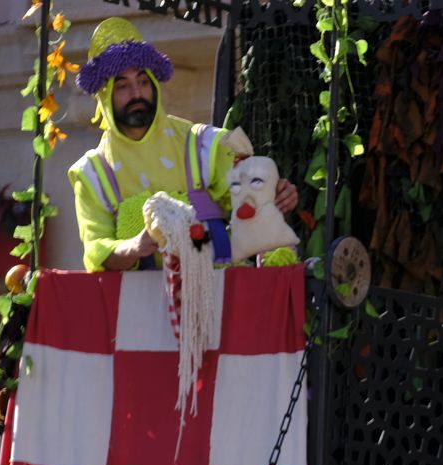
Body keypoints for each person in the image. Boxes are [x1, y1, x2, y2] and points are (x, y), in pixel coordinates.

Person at [68, 17, 296, 273]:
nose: (136, 94)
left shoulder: (203, 143)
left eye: (143, 82)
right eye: (122, 86)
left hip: (218, 295)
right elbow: (97, 249)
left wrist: (275, 198)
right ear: (104, 95)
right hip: (141, 306)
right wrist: (135, 245)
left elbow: (252, 206)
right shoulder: (91, 173)